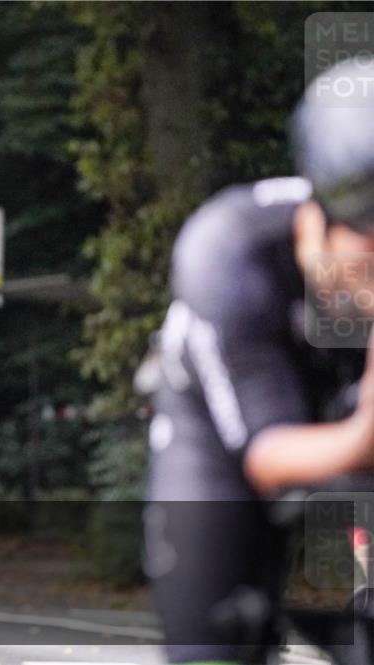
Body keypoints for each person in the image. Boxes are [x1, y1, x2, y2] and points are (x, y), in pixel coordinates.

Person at [145, 57, 374, 665]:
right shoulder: (230, 252)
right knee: (212, 640)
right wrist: (363, 436)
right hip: (224, 440)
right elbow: (267, 455)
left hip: (353, 434)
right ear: (319, 218)